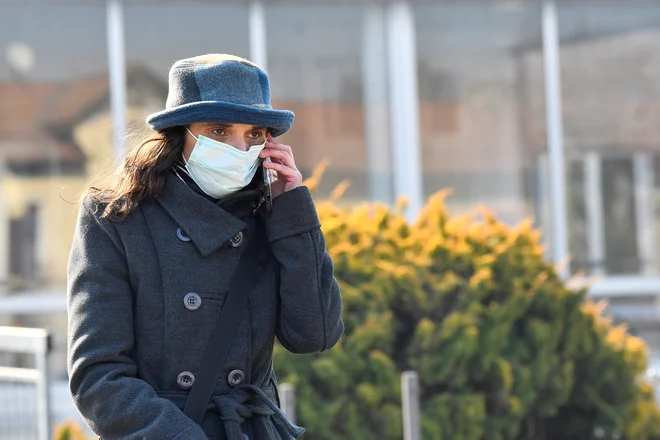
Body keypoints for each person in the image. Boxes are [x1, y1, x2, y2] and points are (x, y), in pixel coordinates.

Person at [66, 54, 344, 440]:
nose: (238, 147)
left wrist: (292, 205)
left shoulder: (271, 215)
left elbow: (314, 335)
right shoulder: (114, 217)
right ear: (181, 134)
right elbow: (97, 377)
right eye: (218, 130)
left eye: (254, 134)